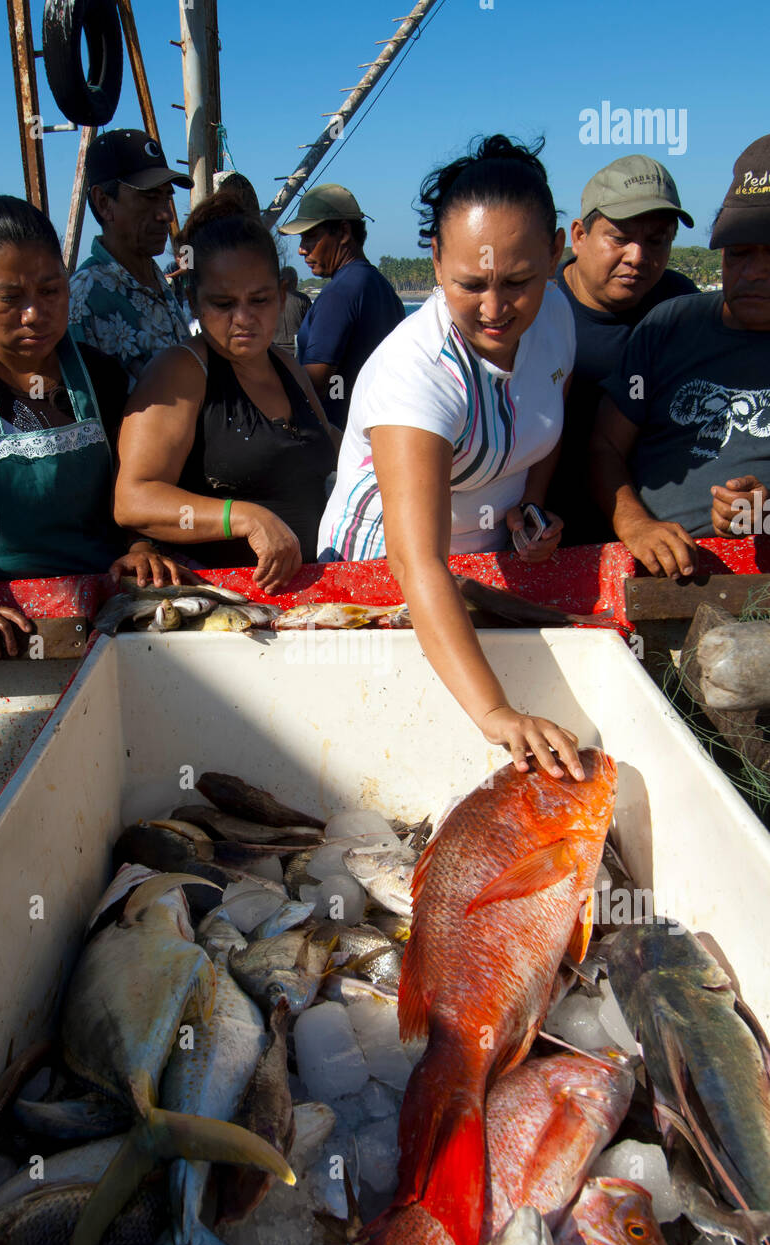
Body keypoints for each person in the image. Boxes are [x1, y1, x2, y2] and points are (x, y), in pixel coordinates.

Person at [319, 135, 582, 780]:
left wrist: (531, 506)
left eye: (519, 282)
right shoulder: (414, 375)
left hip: (486, 555)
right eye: (471, 284)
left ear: (554, 254)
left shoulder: (555, 321)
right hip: (383, 572)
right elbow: (417, 563)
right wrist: (495, 713)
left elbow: (547, 416)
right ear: (435, 261)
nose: (496, 310)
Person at [0, 196, 189, 659]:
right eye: (10, 297)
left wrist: (140, 545)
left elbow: (132, 487)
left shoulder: (100, 375)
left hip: (105, 616)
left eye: (51, 290)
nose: (34, 314)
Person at [113, 190, 337, 594]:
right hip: (223, 609)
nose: (244, 319)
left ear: (282, 295)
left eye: (260, 300)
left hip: (307, 602)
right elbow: (133, 501)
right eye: (223, 303)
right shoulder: (182, 372)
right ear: (193, 303)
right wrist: (246, 517)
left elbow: (336, 446)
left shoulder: (286, 365)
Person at [591, 136, 770, 578]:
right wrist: (634, 523)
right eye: (739, 253)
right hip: (655, 578)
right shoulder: (669, 325)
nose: (754, 273)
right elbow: (604, 446)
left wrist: (764, 513)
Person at [549, 156, 698, 543]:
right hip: (547, 536)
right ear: (579, 236)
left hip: (658, 532)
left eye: (656, 240)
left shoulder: (682, 308)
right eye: (620, 238)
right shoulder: (536, 309)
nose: (637, 256)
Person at [68, 129, 194, 388]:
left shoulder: (155, 277)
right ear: (104, 203)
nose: (166, 215)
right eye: (149, 198)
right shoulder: (84, 298)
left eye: (167, 197)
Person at [279, 184, 404, 428]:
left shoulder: (339, 293)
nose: (301, 249)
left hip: (339, 446)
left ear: (344, 232)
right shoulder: (384, 290)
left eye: (310, 236)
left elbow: (313, 385)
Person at [273, 266, 311, 356]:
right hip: (296, 349)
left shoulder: (270, 299)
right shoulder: (302, 299)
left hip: (274, 348)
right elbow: (312, 326)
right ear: (296, 281)